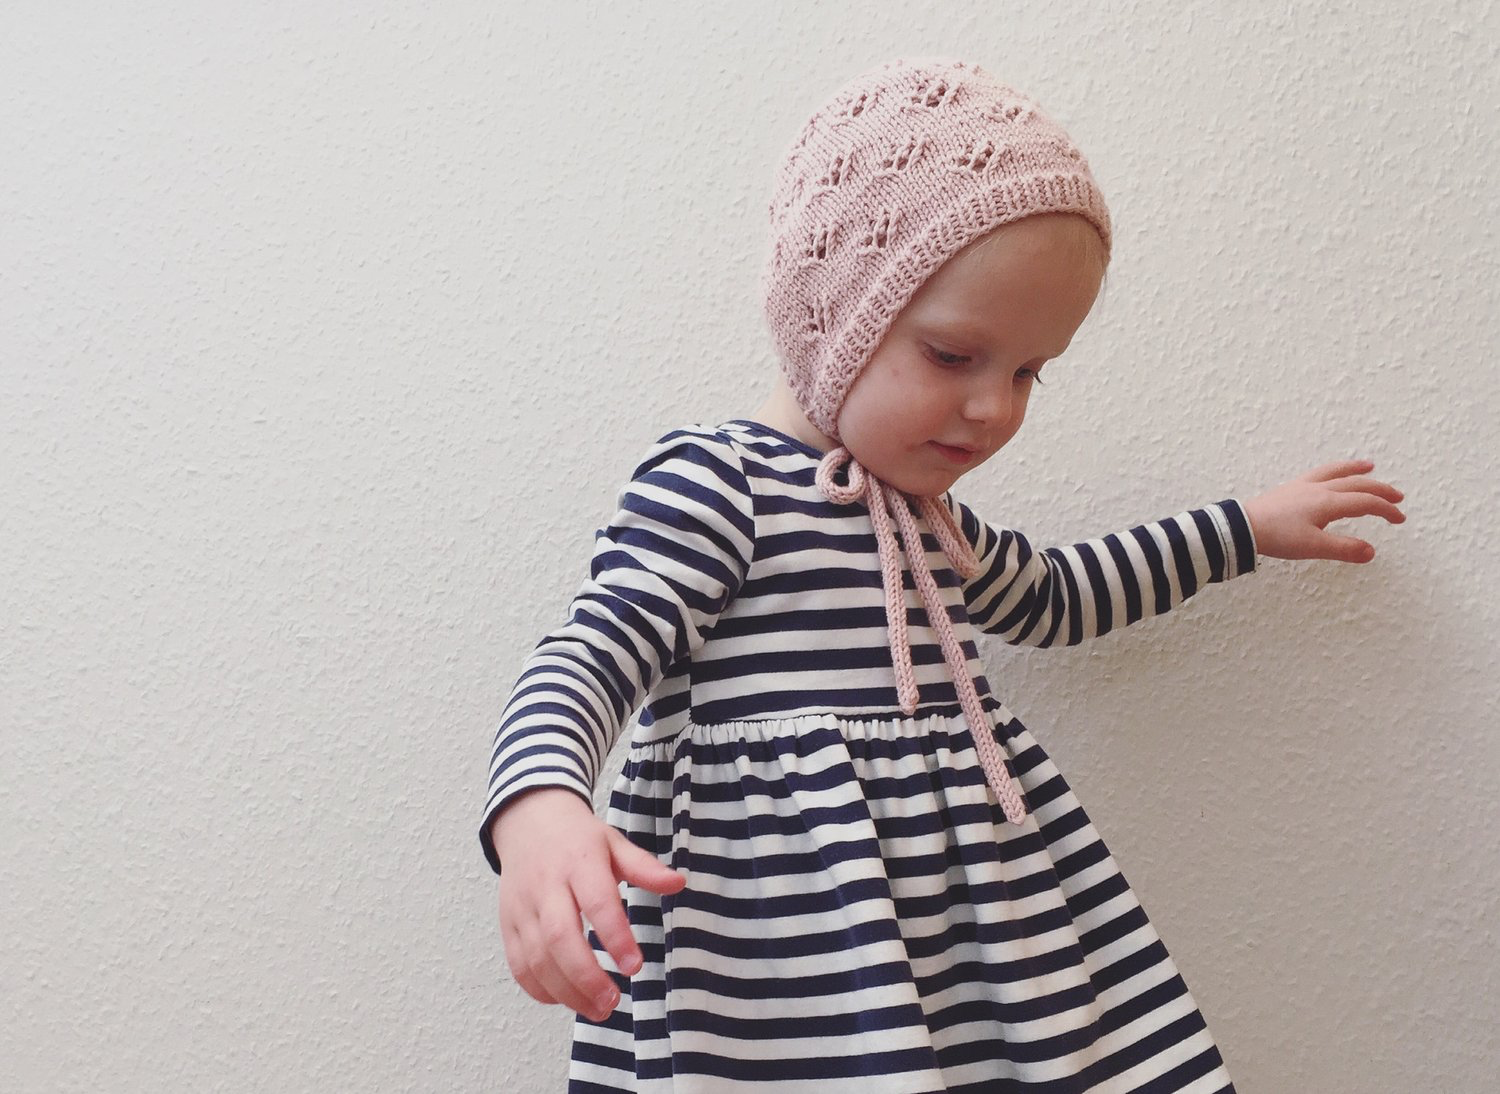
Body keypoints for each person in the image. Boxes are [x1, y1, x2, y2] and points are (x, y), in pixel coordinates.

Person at [479, 57, 1405, 1092]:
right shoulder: (721, 483)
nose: (995, 409)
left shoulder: (932, 524)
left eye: (1029, 371)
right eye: (955, 356)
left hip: (975, 950)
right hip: (788, 968)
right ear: (834, 317)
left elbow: (1055, 595)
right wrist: (539, 804)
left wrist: (1242, 528)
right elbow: (589, 655)